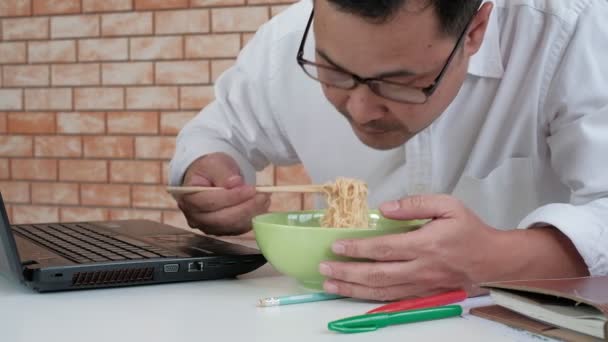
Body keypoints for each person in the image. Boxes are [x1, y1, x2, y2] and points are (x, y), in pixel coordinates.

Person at [170, 0, 608, 300]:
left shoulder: (571, 29)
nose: (360, 110)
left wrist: (495, 258)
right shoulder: (288, 38)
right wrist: (206, 174)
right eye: (332, 71)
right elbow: (215, 136)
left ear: (475, 31)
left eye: (398, 82)